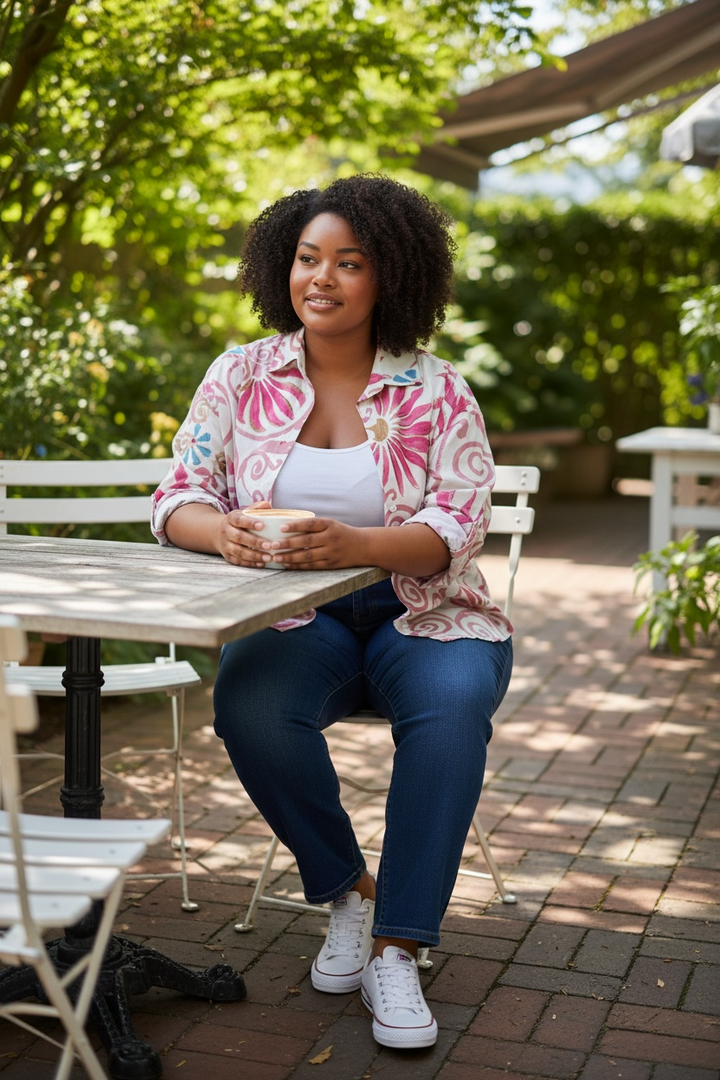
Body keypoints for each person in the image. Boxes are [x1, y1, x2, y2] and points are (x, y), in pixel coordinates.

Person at [151, 174, 513, 1050]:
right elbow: (176, 496)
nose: (323, 278)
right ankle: (348, 890)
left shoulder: (435, 389)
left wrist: (353, 545)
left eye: (349, 262)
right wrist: (223, 535)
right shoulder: (241, 375)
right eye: (309, 258)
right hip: (290, 616)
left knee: (453, 705)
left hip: (422, 610)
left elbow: (458, 526)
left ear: (390, 276)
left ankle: (399, 943)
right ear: (283, 266)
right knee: (248, 704)